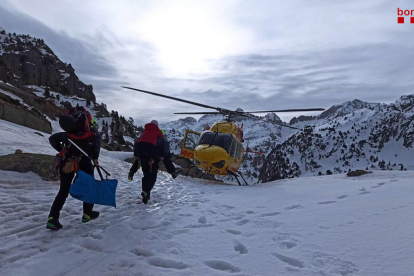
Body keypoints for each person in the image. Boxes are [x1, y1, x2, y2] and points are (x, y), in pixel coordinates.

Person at [46, 106, 101, 230]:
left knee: (63, 191)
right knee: (88, 187)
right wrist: (95, 158)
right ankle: (87, 213)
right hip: (85, 162)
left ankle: (52, 218)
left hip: (67, 162)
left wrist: (62, 150)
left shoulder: (67, 134)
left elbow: (52, 139)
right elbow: (96, 147)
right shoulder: (92, 133)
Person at [133, 120, 179, 204]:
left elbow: (136, 143)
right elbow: (165, 151)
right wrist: (171, 169)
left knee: (146, 175)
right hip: (153, 158)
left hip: (142, 156)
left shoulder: (145, 133)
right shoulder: (158, 134)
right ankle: (146, 191)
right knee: (152, 177)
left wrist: (137, 155)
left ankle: (145, 195)